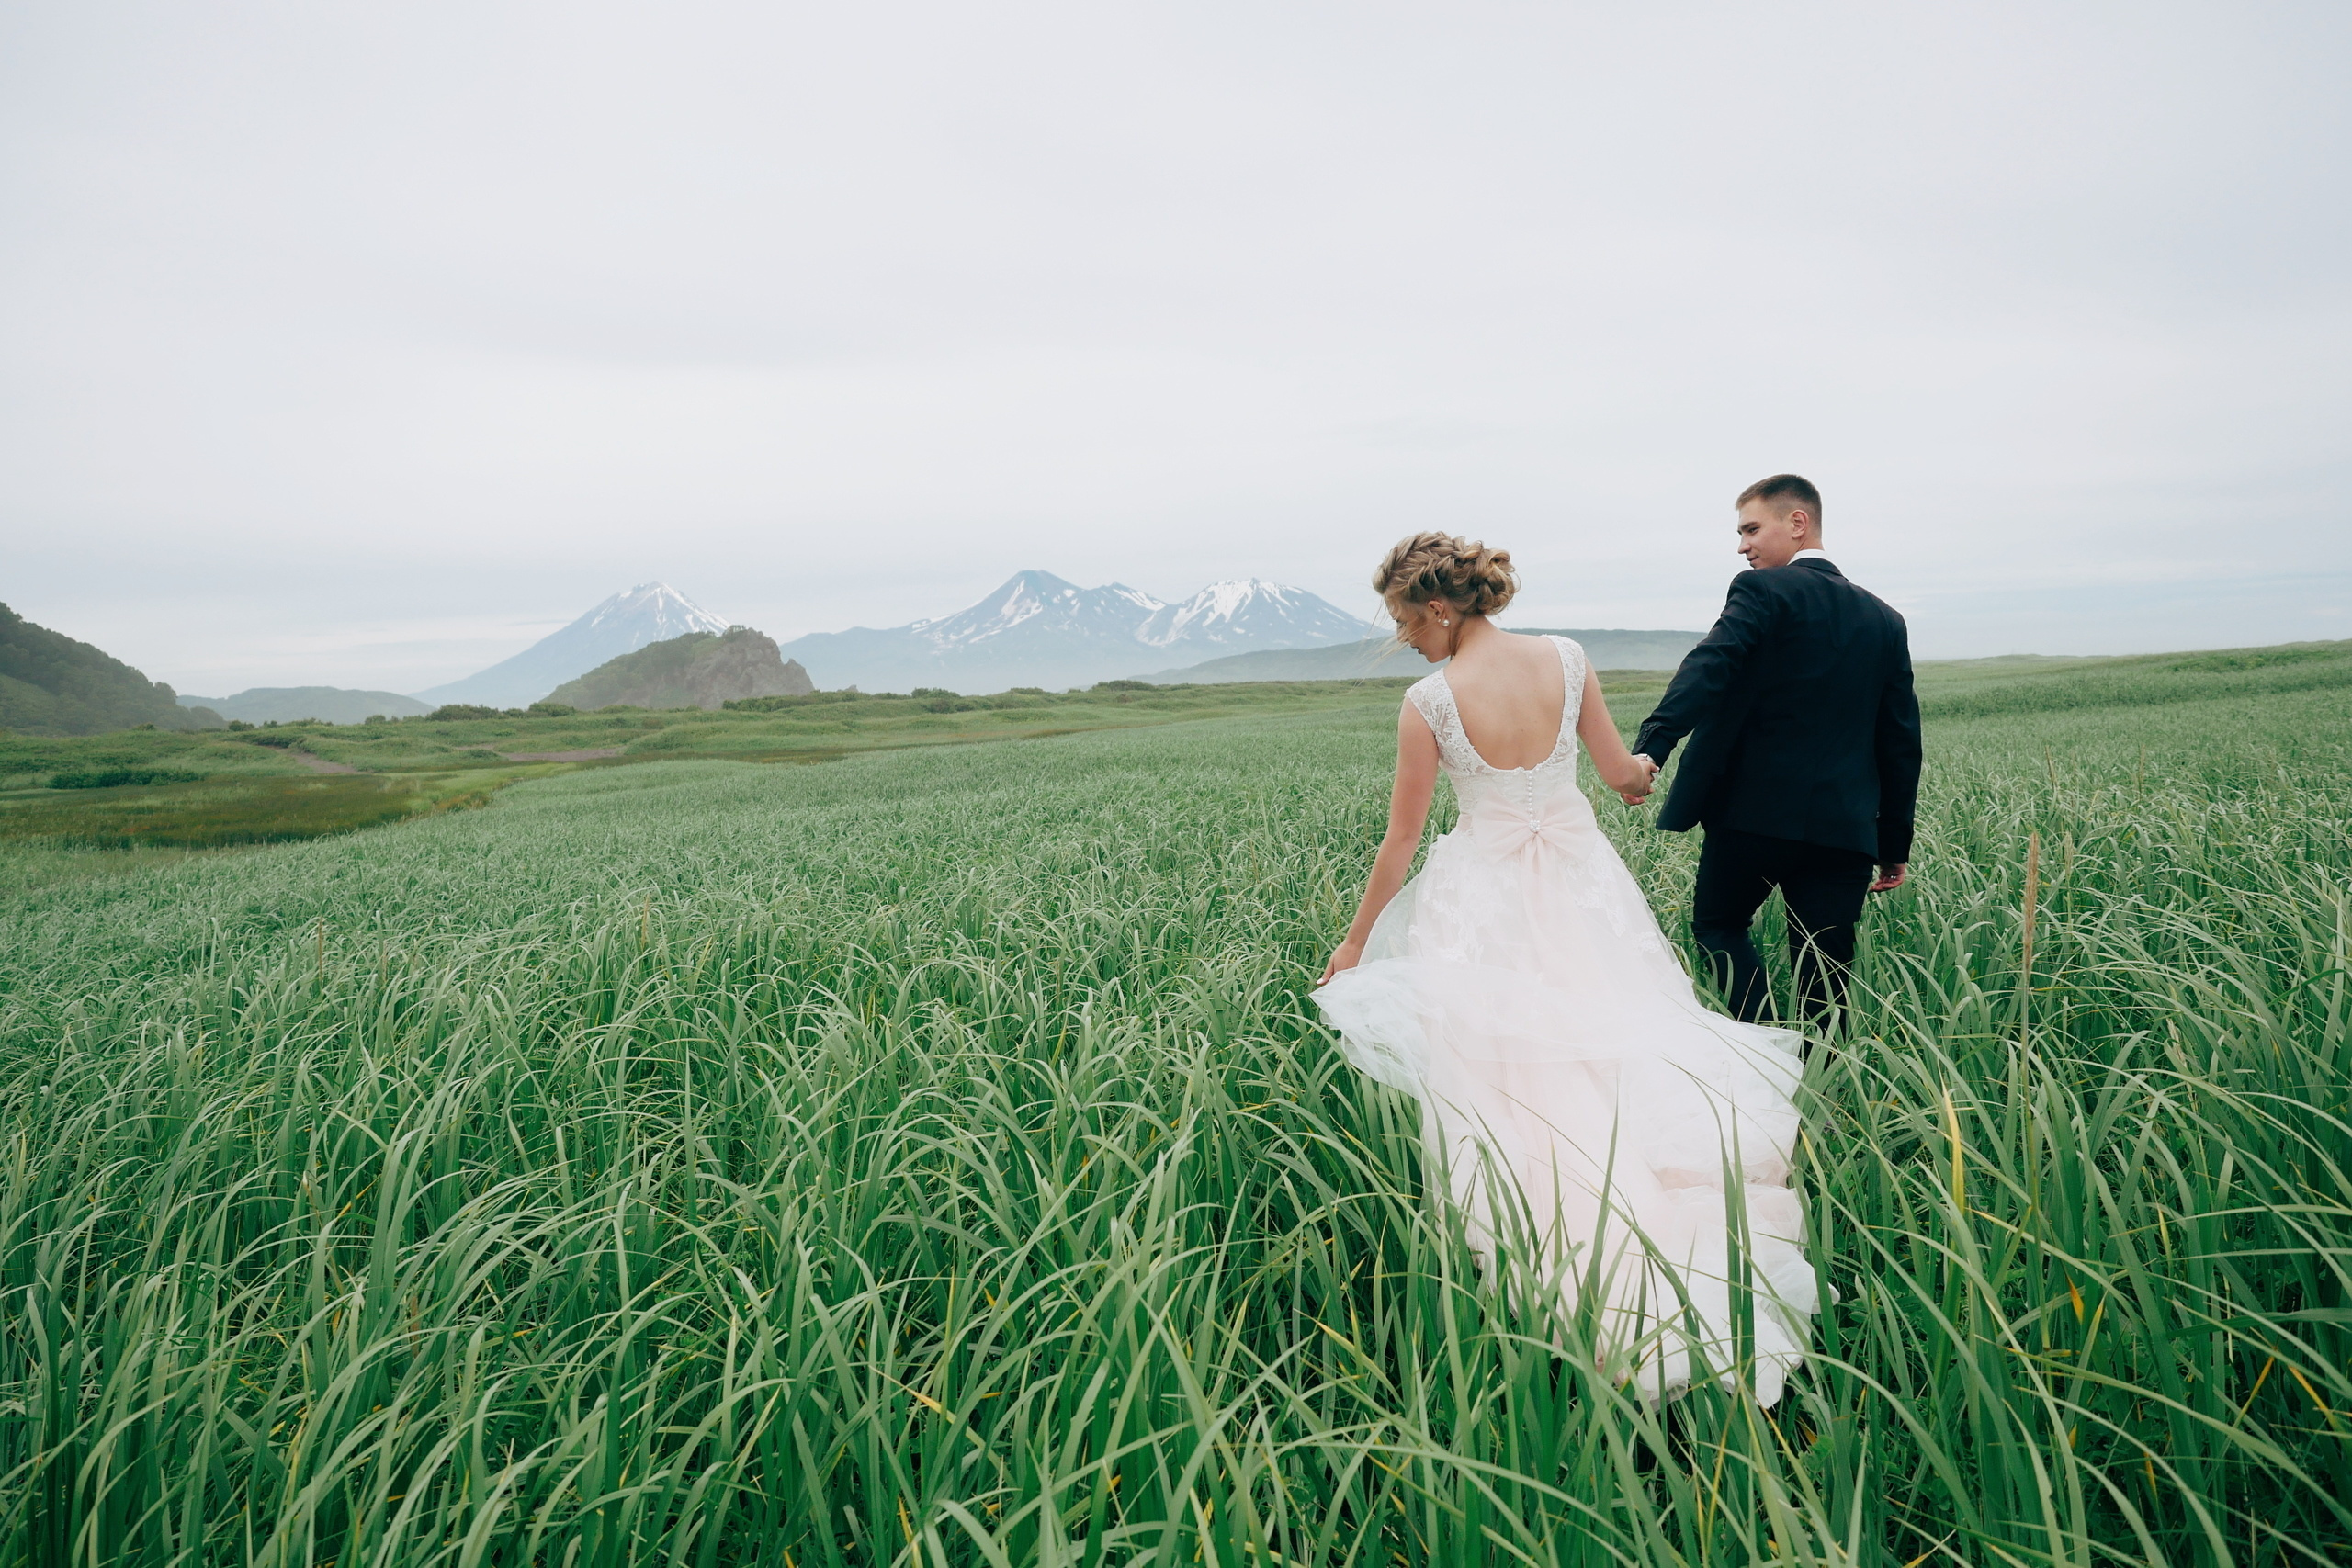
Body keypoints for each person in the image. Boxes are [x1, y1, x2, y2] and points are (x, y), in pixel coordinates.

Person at [1315, 531, 1816, 1406]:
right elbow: (1624, 772)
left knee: (1510, 1083)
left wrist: (1355, 944)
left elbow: (1402, 840)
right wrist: (1639, 774)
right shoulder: (1570, 659)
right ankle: (1669, 1235)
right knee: (1617, 1045)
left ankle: (1559, 1261)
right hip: (1586, 890)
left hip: (1487, 902)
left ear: (1438, 606)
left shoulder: (1429, 701)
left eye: (1403, 618)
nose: (1405, 637)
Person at [1632, 475, 1922, 1036]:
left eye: (1751, 528)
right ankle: (1826, 1095)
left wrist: (1652, 749)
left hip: (1751, 815)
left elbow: (1708, 666)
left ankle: (1764, 1051)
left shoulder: (1760, 591)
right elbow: (1900, 739)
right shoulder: (1886, 619)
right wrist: (1893, 843)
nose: (1743, 546)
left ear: (1797, 523)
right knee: (1828, 971)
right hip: (1844, 828)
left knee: (1718, 927)